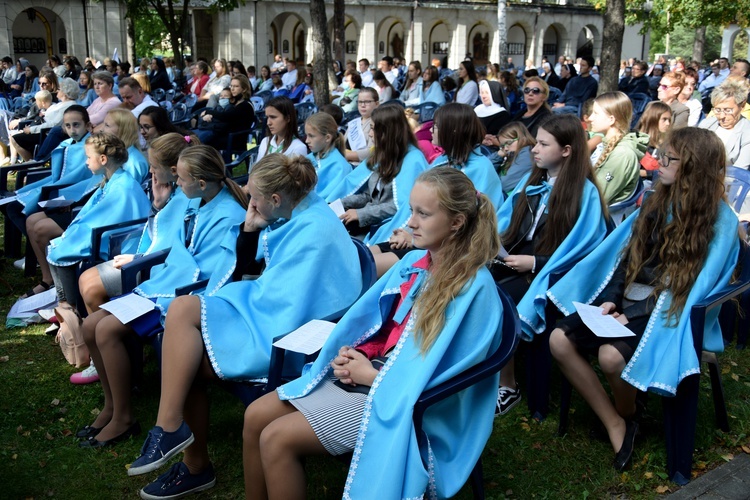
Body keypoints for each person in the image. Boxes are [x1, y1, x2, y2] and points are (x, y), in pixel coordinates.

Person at [244, 166, 503, 499]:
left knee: (275, 438)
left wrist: (370, 376)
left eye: (423, 214)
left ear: (456, 222)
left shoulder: (472, 288)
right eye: (412, 211)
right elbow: (383, 325)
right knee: (254, 417)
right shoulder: (417, 263)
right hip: (376, 378)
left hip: (405, 403)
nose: (410, 222)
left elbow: (441, 372)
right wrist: (358, 353)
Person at [128, 154, 362, 498]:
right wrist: (250, 230)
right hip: (267, 312)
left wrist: (251, 250)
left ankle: (189, 458)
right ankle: (171, 430)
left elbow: (288, 302)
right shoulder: (298, 210)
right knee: (182, 315)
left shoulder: (315, 229)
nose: (247, 203)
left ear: (276, 199)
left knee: (184, 350)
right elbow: (256, 273)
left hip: (286, 332)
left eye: (254, 198)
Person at [548, 127, 740, 472]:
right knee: (558, 340)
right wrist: (610, 299)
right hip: (631, 302)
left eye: (669, 158)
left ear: (695, 166)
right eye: (660, 154)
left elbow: (689, 289)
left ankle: (628, 411)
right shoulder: (657, 198)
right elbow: (625, 258)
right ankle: (618, 421)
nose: (656, 163)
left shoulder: (719, 221)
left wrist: (633, 313)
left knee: (610, 357)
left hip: (669, 312)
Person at [76, 143, 246, 447]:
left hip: (179, 295)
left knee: (105, 330)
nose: (177, 185)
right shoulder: (198, 200)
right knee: (90, 326)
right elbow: (178, 245)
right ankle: (111, 406)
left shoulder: (229, 214)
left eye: (181, 179)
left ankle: (123, 418)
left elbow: (210, 269)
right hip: (167, 283)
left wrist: (176, 266)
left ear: (201, 182)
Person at [491, 113, 608, 415]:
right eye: (536, 142)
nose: (534, 149)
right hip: (516, 262)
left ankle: (508, 386)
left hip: (551, 276)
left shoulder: (585, 194)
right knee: (467, 283)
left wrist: (534, 262)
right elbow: (507, 224)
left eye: (543, 144)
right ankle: (475, 370)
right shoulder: (533, 182)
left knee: (498, 300)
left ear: (566, 151)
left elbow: (584, 254)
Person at [370, 103, 504, 276]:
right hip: (422, 238)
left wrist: (413, 239)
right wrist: (406, 232)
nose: (431, 130)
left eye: (436, 126)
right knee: (366, 254)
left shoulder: (481, 168)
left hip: (449, 249)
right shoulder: (443, 160)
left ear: (452, 131)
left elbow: (471, 224)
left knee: (364, 268)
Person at [43, 132, 150, 313]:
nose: (86, 162)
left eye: (88, 157)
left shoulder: (123, 186)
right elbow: (94, 213)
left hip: (125, 242)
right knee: (57, 245)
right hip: (110, 231)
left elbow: (111, 219)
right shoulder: (111, 180)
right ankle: (66, 305)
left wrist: (75, 234)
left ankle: (71, 308)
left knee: (62, 250)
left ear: (102, 159)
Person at [334, 105, 428, 238]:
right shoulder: (383, 154)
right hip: (370, 221)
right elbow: (369, 195)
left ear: (387, 131)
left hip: (389, 227)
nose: (370, 134)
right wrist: (340, 204)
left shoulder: (413, 160)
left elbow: (402, 206)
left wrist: (361, 214)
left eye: (373, 129)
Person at [588, 92, 647, 205]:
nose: (590, 118)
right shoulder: (607, 144)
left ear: (611, 119)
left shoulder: (622, 154)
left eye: (595, 113)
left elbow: (597, 198)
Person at [11, 79, 80, 162]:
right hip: (41, 129)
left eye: (59, 89)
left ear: (65, 93)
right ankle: (30, 164)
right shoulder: (61, 104)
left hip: (46, 134)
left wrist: (31, 129)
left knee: (15, 139)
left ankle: (33, 164)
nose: (57, 90)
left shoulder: (69, 106)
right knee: (15, 136)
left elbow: (53, 124)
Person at [699, 78, 750, 169]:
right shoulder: (706, 124)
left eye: (728, 110)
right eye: (717, 110)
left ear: (742, 106)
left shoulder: (747, 132)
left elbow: (740, 170)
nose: (722, 116)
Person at [194, 75, 254, 148]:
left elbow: (225, 116)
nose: (232, 89)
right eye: (231, 86)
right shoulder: (235, 102)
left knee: (202, 141)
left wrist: (208, 112)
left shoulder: (245, 105)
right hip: (224, 134)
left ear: (244, 89)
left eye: (236, 86)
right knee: (198, 136)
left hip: (234, 139)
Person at [304, 112, 352, 198]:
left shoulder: (340, 167)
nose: (306, 141)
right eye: (306, 135)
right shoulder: (308, 158)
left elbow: (333, 199)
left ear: (327, 138)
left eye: (311, 136)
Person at [489, 121, 536, 193]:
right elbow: (486, 169)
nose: (506, 148)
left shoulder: (527, 154)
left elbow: (503, 185)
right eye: (502, 146)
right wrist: (498, 156)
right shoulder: (512, 155)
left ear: (522, 139)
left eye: (508, 143)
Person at [256, 96, 307, 161]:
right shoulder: (265, 142)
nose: (268, 123)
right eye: (267, 117)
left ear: (288, 118)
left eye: (273, 117)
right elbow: (257, 169)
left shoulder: (298, 147)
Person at [344, 87, 378, 164]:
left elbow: (373, 151)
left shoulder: (378, 123)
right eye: (360, 102)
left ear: (377, 104)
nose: (363, 105)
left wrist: (347, 155)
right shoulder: (353, 123)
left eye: (367, 102)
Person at [636, 101, 672, 177]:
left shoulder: (668, 144)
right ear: (653, 119)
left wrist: (646, 173)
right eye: (664, 119)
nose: (668, 123)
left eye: (669, 120)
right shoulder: (636, 141)